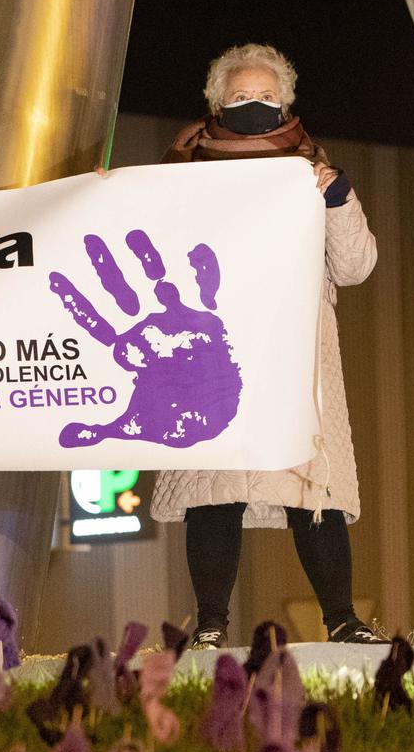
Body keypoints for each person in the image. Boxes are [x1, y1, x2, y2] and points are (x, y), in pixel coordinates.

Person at [153, 43, 385, 649]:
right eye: (240, 96)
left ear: (285, 102)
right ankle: (208, 627)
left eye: (265, 96)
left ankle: (342, 619)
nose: (254, 105)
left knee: (312, 488)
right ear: (216, 104)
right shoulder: (180, 175)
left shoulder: (313, 175)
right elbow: (145, 242)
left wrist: (336, 201)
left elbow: (356, 267)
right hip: (215, 349)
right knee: (214, 488)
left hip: (293, 359)